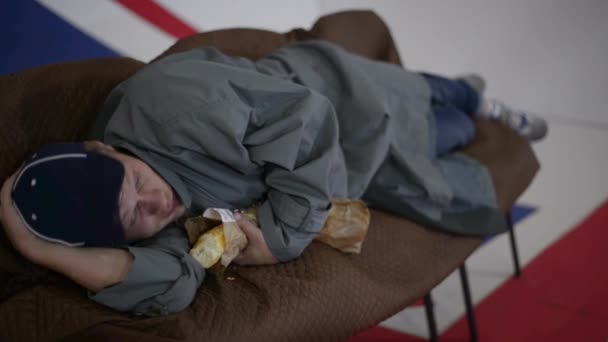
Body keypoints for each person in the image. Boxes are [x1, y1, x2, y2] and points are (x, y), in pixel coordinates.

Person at [0, 40, 546, 317]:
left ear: (105, 148)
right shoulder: (153, 223)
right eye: (134, 220)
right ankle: (467, 102)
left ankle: (478, 98)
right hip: (338, 171)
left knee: (436, 114)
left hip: (340, 100)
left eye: (136, 182)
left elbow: (307, 121)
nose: (155, 203)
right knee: (435, 168)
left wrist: (282, 237)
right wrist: (36, 248)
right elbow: (168, 285)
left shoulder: (172, 109)